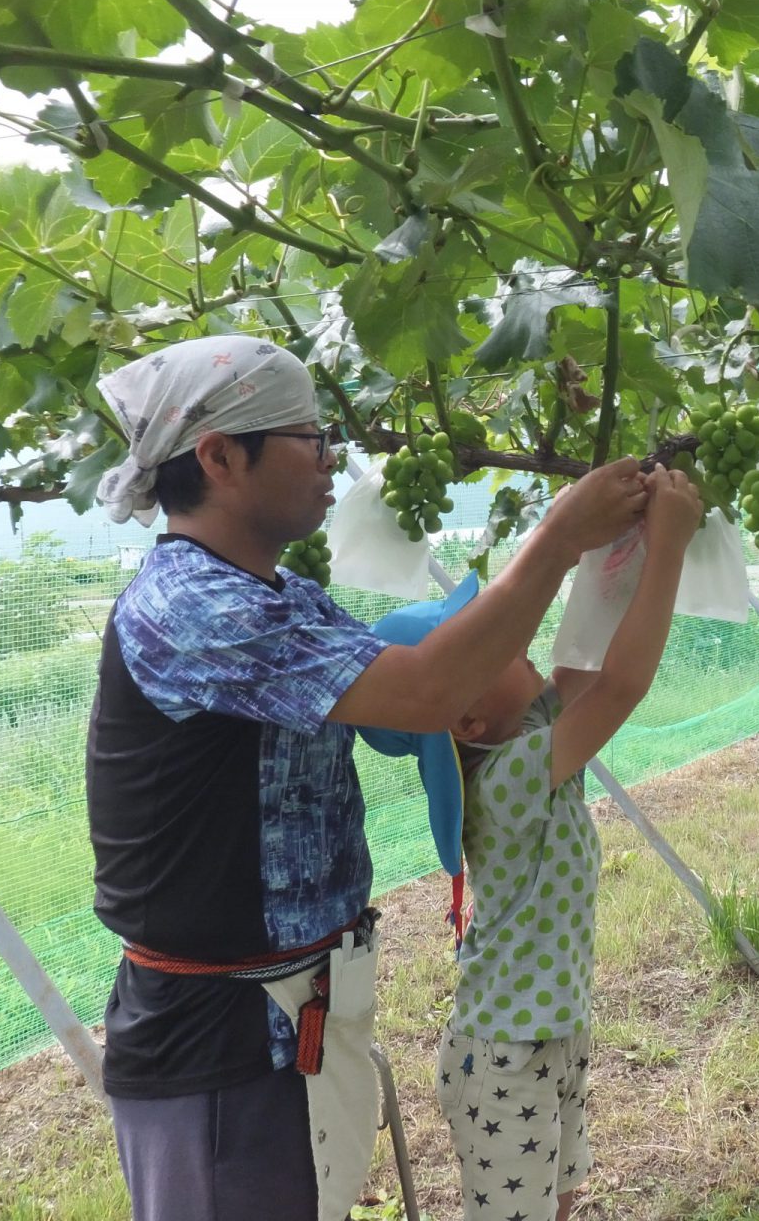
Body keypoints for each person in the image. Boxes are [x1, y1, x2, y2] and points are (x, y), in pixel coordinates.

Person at [85, 335, 648, 1221]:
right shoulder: (191, 607)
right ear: (220, 457)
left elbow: (419, 695)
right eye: (310, 439)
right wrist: (557, 539)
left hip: (295, 1014)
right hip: (222, 1041)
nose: (329, 459)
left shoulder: (284, 600)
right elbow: (428, 693)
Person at [434, 464, 704, 1221]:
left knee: (560, 1199)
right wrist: (669, 551)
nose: (512, 639)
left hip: (551, 1034)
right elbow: (618, 687)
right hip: (504, 1057)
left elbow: (581, 667)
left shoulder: (524, 733)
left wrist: (611, 543)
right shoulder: (505, 779)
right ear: (467, 721)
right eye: (489, 647)